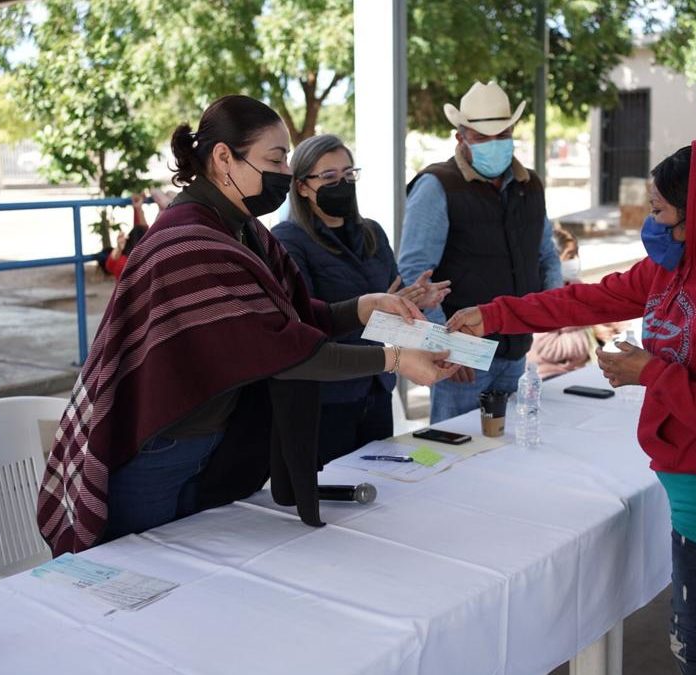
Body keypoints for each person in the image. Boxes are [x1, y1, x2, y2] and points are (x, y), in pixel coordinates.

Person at [37, 95, 458, 554]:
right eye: (275, 159)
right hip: (159, 447)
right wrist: (397, 358)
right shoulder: (190, 240)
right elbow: (287, 350)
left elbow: (291, 320)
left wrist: (363, 306)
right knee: (144, 575)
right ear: (223, 158)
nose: (282, 173)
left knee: (188, 574)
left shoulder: (242, 230)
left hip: (207, 443)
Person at [449, 141, 696, 674]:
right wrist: (495, 315)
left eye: (660, 210)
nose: (650, 223)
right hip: (694, 478)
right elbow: (586, 300)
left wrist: (652, 374)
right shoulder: (673, 267)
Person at [274, 134, 451, 464]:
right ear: (301, 186)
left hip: (377, 388)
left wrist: (414, 301)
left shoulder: (372, 232)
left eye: (348, 174)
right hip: (328, 396)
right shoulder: (288, 240)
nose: (342, 183)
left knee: (381, 485)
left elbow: (391, 297)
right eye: (329, 177)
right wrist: (379, 309)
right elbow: (306, 324)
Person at [398, 80, 562, 423]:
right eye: (482, 137)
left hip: (517, 350)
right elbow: (416, 275)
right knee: (456, 457)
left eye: (502, 135)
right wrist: (446, 348)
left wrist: (554, 308)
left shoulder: (530, 185)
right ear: (461, 137)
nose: (494, 144)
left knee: (508, 456)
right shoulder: (436, 186)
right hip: (463, 363)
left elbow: (545, 254)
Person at [527, 225, 628, 378]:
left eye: (576, 254)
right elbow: (547, 347)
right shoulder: (541, 296)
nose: (575, 261)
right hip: (551, 376)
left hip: (581, 371)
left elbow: (601, 313)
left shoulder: (577, 287)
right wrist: (593, 336)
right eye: (570, 255)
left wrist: (615, 326)